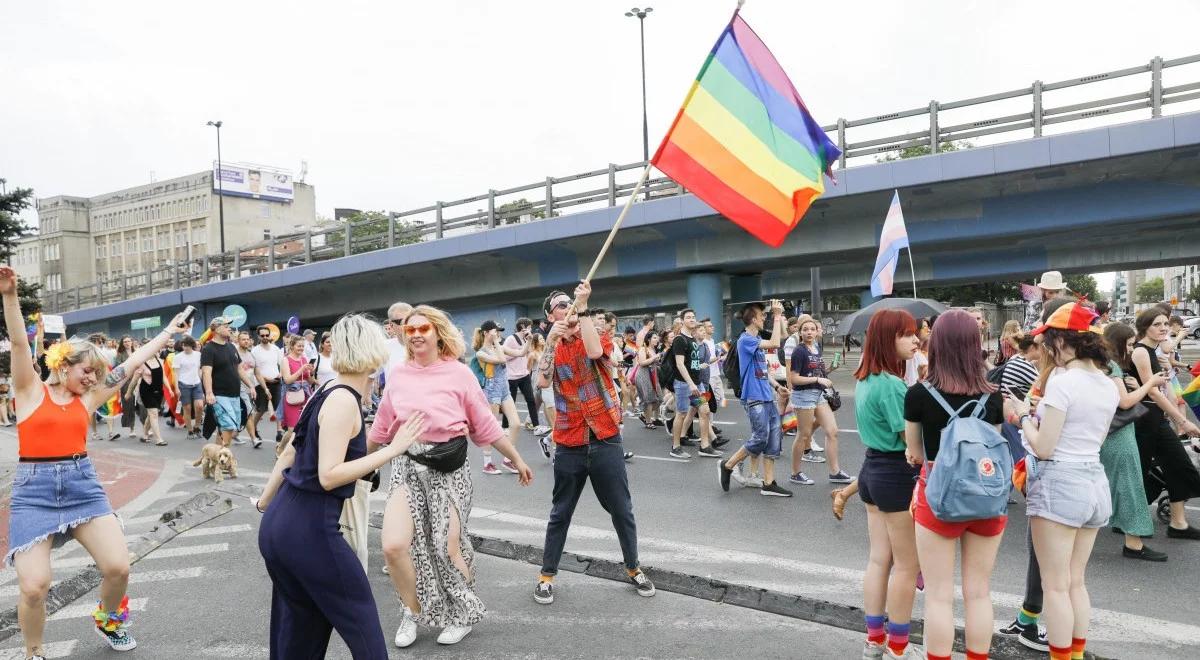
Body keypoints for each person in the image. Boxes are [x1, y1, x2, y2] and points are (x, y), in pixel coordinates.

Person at [2, 265, 192, 657]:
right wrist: (9, 296)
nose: (93, 379)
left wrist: (166, 334)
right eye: (87, 371)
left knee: (118, 567)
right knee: (34, 586)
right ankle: (33, 652)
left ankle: (108, 619)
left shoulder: (88, 399)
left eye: (97, 374)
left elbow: (131, 362)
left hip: (81, 485)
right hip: (33, 492)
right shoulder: (29, 391)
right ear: (63, 365)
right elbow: (20, 346)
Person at [257, 314, 421, 660]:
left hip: (282, 523)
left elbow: (290, 450)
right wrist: (392, 450)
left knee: (300, 633)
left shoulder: (327, 390)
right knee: (365, 633)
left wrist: (265, 501)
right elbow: (329, 474)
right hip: (310, 529)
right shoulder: (344, 399)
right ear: (371, 351)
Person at [372, 305, 532, 647]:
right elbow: (382, 426)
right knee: (395, 546)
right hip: (406, 465)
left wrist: (516, 458)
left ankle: (461, 612)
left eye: (423, 329)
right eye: (410, 329)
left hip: (449, 470)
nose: (415, 334)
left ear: (437, 333)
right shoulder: (398, 374)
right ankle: (412, 611)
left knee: (447, 547)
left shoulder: (458, 374)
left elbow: (485, 425)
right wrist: (354, 462)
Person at [1004, 302, 1121, 660]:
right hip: (1093, 482)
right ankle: (1076, 654)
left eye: (1047, 340)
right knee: (1075, 583)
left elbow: (1043, 447)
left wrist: (1023, 416)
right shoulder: (1107, 383)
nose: (1044, 349)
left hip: (1060, 484)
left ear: (1061, 341)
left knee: (1055, 587)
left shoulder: (1063, 383)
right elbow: (1096, 441)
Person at [533, 284, 655, 605]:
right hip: (570, 441)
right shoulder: (551, 345)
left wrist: (583, 306)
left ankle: (633, 567)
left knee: (621, 510)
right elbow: (542, 380)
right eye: (562, 305)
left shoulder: (595, 332)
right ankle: (546, 576)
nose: (568, 307)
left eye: (569, 302)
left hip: (604, 437)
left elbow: (594, 353)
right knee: (560, 513)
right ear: (550, 315)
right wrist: (550, 340)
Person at [903, 310, 1006, 660]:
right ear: (974, 345)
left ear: (936, 345)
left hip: (939, 497)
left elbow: (916, 453)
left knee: (939, 595)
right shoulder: (993, 395)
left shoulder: (917, 394)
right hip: (987, 499)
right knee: (978, 592)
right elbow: (993, 444)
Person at [852, 308, 922, 660]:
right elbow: (912, 445)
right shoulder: (894, 386)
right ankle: (898, 646)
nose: (916, 340)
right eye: (906, 334)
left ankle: (874, 640)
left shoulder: (864, 379)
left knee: (879, 560)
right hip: (896, 475)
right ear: (886, 339)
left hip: (871, 471)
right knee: (907, 565)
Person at [1130, 309, 1200, 538]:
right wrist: (1181, 421)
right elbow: (1153, 393)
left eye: (1165, 324)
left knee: (1178, 465)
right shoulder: (1141, 351)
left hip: (1155, 419)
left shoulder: (1153, 350)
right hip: (1144, 420)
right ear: (1144, 327)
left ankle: (1178, 523)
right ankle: (1130, 529)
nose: (1163, 328)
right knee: (1138, 474)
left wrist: (1168, 370)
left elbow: (1162, 388)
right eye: (1156, 324)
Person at [1102, 323, 1170, 561]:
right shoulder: (1112, 367)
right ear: (1118, 343)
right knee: (1130, 489)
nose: (1131, 350)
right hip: (1120, 435)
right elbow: (1126, 402)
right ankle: (1134, 543)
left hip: (1109, 433)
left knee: (1111, 488)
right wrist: (1149, 384)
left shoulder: (1100, 365)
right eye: (1129, 344)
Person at [718, 300, 794, 497]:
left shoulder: (757, 340)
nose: (765, 318)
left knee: (774, 438)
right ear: (753, 319)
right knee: (760, 436)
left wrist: (777, 386)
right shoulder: (745, 340)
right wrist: (777, 315)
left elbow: (765, 366)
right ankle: (728, 465)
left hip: (766, 396)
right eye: (762, 316)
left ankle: (769, 483)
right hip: (753, 397)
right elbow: (776, 342)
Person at [788, 317, 852, 486]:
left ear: (817, 332)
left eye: (812, 329)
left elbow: (819, 374)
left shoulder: (816, 348)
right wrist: (818, 379)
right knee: (804, 435)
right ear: (800, 333)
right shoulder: (799, 351)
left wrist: (830, 369)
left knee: (832, 431)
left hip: (818, 395)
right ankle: (795, 473)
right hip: (804, 396)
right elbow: (794, 378)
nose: (809, 332)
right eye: (805, 329)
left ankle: (835, 472)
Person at [473, 320, 525, 475]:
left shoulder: (499, 347)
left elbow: (521, 353)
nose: (499, 334)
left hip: (504, 390)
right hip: (491, 391)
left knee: (515, 424)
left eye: (499, 331)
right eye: (496, 331)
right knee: (492, 428)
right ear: (486, 333)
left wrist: (528, 342)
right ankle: (487, 463)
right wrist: (496, 343)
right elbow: (502, 360)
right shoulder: (481, 353)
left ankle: (508, 460)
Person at [668, 309, 721, 459]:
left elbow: (693, 363)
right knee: (682, 414)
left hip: (698, 384)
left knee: (704, 411)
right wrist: (691, 384)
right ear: (682, 320)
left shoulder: (692, 339)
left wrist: (699, 374)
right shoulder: (680, 339)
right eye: (688, 317)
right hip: (684, 384)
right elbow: (680, 364)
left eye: (693, 317)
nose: (692, 319)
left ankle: (705, 446)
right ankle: (676, 447)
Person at [202, 317, 258, 448]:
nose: (229, 328)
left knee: (229, 428)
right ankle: (223, 459)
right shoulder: (208, 349)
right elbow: (206, 373)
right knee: (228, 426)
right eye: (226, 325)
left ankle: (216, 455)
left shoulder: (231, 347)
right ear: (216, 329)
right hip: (219, 395)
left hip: (235, 395)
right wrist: (209, 393)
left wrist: (251, 386)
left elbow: (239, 369)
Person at [503, 318, 544, 434]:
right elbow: (504, 358)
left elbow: (528, 354)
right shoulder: (511, 339)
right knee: (511, 402)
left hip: (524, 375)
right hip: (512, 377)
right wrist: (519, 352)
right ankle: (505, 427)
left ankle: (536, 426)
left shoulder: (527, 339)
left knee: (531, 400)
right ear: (522, 326)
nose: (531, 329)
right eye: (529, 327)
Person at [277, 336, 314, 454]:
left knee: (306, 425)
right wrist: (302, 369)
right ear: (292, 346)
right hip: (292, 396)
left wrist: (311, 372)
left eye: (303, 346)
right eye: (299, 346)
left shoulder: (304, 359)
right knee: (292, 429)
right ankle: (281, 447)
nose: (301, 348)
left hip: (305, 395)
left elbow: (309, 380)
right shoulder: (285, 360)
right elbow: (287, 380)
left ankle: (298, 451)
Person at [251, 327, 284, 443]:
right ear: (258, 337)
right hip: (261, 384)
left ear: (270, 336)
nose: (265, 337)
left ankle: (279, 432)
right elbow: (256, 371)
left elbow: (282, 364)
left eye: (266, 335)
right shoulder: (255, 351)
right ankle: (253, 429)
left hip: (276, 382)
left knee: (279, 407)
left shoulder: (275, 349)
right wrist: (267, 380)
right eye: (262, 336)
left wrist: (280, 374)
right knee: (261, 409)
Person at [132, 348, 167, 446]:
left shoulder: (160, 361)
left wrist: (171, 389)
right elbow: (134, 380)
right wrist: (128, 392)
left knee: (151, 415)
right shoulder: (141, 364)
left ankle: (144, 435)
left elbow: (164, 377)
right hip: (146, 391)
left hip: (158, 391)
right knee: (154, 413)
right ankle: (159, 439)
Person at [173, 336, 204, 439]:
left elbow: (200, 368)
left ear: (192, 346)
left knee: (199, 406)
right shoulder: (178, 357)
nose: (185, 347)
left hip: (196, 383)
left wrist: (200, 376)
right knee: (187, 408)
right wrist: (176, 388)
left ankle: (197, 427)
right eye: (183, 345)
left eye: (187, 345)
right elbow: (176, 374)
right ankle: (190, 430)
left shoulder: (198, 355)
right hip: (183, 384)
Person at [633, 330, 664, 429]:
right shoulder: (643, 349)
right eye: (654, 338)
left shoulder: (654, 350)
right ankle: (649, 421)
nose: (657, 339)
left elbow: (654, 362)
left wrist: (658, 360)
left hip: (653, 375)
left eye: (657, 337)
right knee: (649, 399)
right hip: (643, 375)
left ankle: (645, 415)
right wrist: (654, 358)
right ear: (649, 339)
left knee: (659, 398)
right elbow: (642, 363)